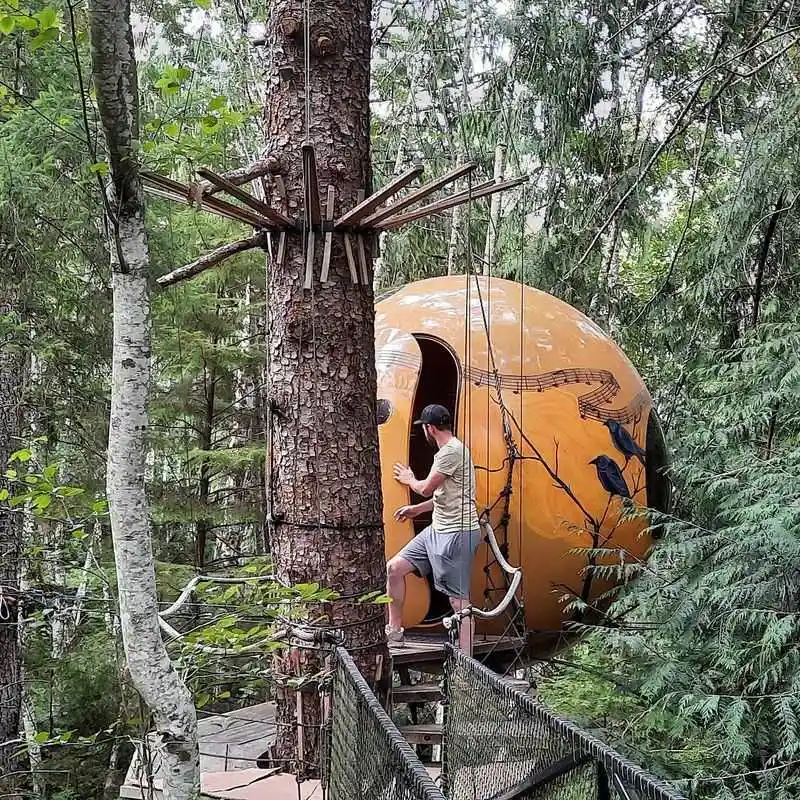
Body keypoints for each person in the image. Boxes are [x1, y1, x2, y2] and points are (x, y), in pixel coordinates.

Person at [385, 404, 481, 655]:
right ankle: (394, 631)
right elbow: (444, 496)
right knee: (394, 568)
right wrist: (417, 510)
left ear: (429, 428)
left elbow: (426, 488)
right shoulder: (448, 452)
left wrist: (409, 479)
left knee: (458, 600)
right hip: (437, 529)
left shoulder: (451, 451)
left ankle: (466, 660)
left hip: (457, 533)